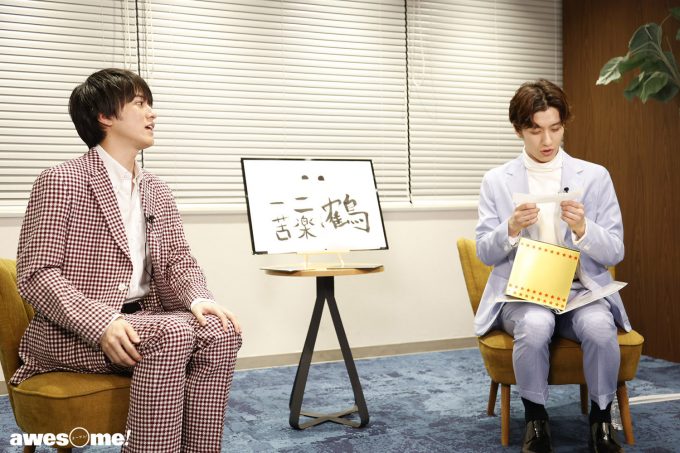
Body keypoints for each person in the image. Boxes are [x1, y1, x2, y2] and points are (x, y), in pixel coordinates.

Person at [10, 68, 242, 453]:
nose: (152, 113)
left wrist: (198, 298)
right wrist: (102, 322)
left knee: (221, 332)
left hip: (144, 319)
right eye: (139, 103)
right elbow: (36, 275)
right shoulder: (61, 180)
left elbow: (178, 261)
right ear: (105, 116)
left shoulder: (157, 189)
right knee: (173, 333)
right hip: (69, 332)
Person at [474, 79, 629, 453]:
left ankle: (601, 420)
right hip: (523, 293)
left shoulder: (594, 176)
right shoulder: (496, 181)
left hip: (580, 291)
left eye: (555, 128)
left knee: (600, 327)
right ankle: (536, 420)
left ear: (564, 125)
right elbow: (485, 252)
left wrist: (584, 228)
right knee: (535, 324)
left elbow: (614, 251)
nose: (547, 140)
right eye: (535, 130)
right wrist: (511, 227)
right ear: (518, 130)